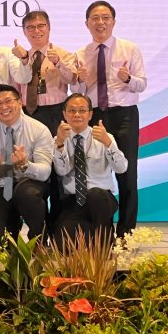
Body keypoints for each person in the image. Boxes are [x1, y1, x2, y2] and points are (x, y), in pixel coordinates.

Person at [69, 0, 146, 238]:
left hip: (124, 115)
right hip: (95, 116)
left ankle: (125, 234)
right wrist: (79, 79)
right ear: (87, 23)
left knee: (127, 174)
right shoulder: (80, 54)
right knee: (95, 172)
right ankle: (99, 229)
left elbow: (141, 84)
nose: (100, 22)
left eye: (105, 18)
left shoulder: (129, 49)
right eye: (95, 18)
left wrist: (127, 78)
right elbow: (77, 91)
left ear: (113, 21)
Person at [16, 11, 77, 230]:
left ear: (49, 28)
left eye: (40, 26)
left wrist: (58, 62)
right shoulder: (22, 57)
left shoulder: (62, 53)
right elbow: (16, 90)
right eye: (30, 27)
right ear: (25, 31)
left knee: (60, 173)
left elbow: (74, 80)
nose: (36, 31)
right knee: (37, 173)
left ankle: (59, 227)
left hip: (55, 114)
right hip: (29, 116)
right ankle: (38, 229)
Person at [0, 84, 53, 247]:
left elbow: (45, 172)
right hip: (1, 184)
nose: (3, 107)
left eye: (8, 101)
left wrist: (25, 164)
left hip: (30, 184)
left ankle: (39, 240)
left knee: (27, 193)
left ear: (20, 102)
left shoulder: (39, 130)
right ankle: (10, 228)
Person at [52, 93, 128, 247]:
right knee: (63, 246)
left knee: (95, 196)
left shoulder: (105, 137)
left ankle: (104, 244)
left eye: (82, 110)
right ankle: (88, 236)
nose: (77, 115)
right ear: (64, 114)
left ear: (90, 114)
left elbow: (122, 168)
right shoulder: (59, 139)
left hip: (101, 198)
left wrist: (108, 144)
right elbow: (61, 171)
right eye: (72, 111)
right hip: (73, 201)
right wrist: (60, 144)